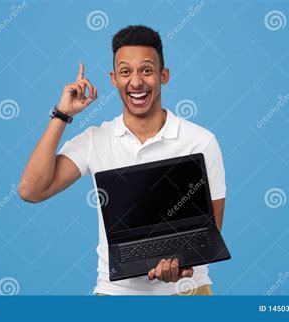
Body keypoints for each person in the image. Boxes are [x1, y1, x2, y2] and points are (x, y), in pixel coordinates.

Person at [19, 25, 226, 295]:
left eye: (147, 70)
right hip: (115, 294)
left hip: (189, 291)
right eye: (126, 71)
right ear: (114, 79)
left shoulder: (201, 141)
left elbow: (210, 235)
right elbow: (31, 190)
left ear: (164, 76)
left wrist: (182, 265)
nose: (136, 82)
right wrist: (62, 115)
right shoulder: (96, 140)